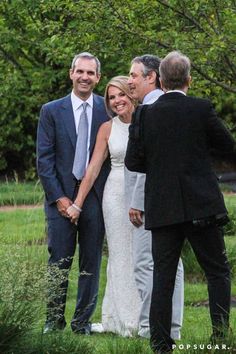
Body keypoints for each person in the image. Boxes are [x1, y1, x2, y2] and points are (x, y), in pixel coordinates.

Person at [125, 51, 234, 354]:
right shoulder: (201, 109)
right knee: (217, 271)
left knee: (163, 275)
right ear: (189, 79)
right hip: (202, 204)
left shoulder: (145, 114)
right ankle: (219, 336)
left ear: (159, 80)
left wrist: (161, 164)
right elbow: (228, 147)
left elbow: (134, 161)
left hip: (163, 205)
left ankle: (161, 344)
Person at [37, 52, 110, 335]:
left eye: (90, 73)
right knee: (59, 261)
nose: (85, 77)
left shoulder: (108, 109)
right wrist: (60, 198)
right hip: (60, 200)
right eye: (80, 71)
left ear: (98, 78)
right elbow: (44, 159)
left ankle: (82, 323)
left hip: (94, 199)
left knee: (90, 261)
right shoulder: (51, 110)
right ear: (71, 73)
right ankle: (53, 321)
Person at [67, 76, 141, 336]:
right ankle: (122, 320)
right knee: (120, 255)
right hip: (115, 194)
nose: (116, 101)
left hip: (144, 191)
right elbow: (93, 168)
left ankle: (146, 315)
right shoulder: (107, 129)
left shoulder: (148, 120)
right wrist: (77, 204)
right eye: (111, 97)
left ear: (131, 95)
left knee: (142, 256)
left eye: (120, 94)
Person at [125, 54, 184, 339]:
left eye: (134, 75)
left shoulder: (154, 108)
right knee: (169, 264)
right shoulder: (151, 106)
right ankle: (169, 327)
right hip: (164, 200)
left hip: (150, 201)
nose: (129, 81)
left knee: (147, 264)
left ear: (152, 77)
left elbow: (150, 164)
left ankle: (154, 328)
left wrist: (137, 200)